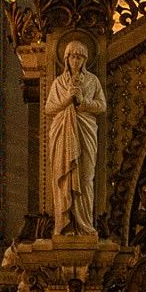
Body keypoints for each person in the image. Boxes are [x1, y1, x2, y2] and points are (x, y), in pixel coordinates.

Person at [41, 40, 104, 235]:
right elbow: (49, 108)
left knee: (85, 179)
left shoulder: (92, 81)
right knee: (64, 178)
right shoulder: (59, 83)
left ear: (85, 60)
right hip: (62, 133)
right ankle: (64, 222)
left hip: (85, 132)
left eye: (79, 57)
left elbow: (101, 106)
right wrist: (68, 99)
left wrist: (83, 101)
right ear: (66, 59)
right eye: (72, 57)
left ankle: (84, 224)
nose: (75, 61)